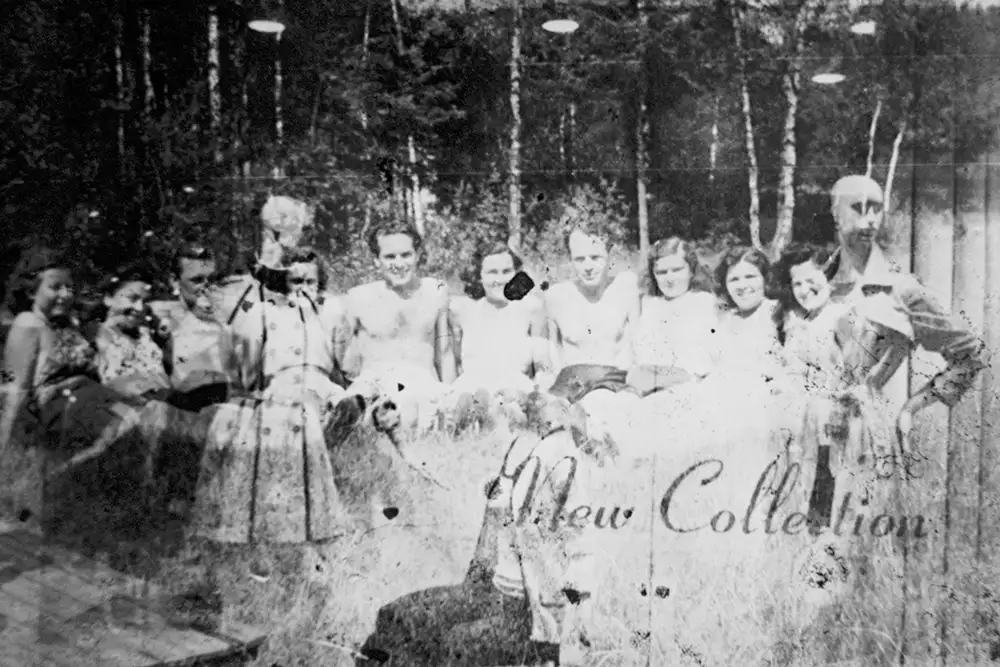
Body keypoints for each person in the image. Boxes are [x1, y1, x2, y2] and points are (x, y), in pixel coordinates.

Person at [0, 247, 224, 525]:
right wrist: (6, 452)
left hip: (92, 397)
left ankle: (167, 500)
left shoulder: (69, 324)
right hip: (61, 404)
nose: (66, 294)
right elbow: (16, 391)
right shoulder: (28, 324)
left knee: (157, 415)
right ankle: (90, 487)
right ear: (32, 291)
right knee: (136, 420)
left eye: (70, 287)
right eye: (55, 287)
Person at [193, 246, 351, 549]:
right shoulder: (268, 313)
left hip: (318, 385)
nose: (303, 289)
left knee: (298, 412)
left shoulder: (331, 312)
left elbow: (345, 364)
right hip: (277, 388)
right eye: (296, 282)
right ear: (284, 284)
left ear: (321, 284)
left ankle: (311, 523)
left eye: (310, 282)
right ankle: (245, 522)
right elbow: (249, 368)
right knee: (249, 419)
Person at [336, 219, 455, 432]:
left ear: (418, 255)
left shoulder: (436, 292)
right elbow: (342, 358)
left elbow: (444, 352)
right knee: (363, 399)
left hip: (421, 384)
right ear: (376, 260)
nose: (399, 264)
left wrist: (449, 395)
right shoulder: (358, 298)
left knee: (412, 405)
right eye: (390, 257)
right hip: (375, 382)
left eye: (406, 255)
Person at [544, 222, 640, 373]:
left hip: (618, 380)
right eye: (579, 259)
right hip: (573, 382)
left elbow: (638, 347)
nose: (588, 267)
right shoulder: (556, 297)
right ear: (570, 259)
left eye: (595, 258)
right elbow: (553, 355)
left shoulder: (626, 287)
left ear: (610, 255)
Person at [630, 237, 718, 392]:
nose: (669, 279)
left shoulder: (705, 303)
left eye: (677, 270)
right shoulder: (648, 304)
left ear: (691, 270)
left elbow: (708, 362)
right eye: (661, 272)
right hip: (647, 388)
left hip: (690, 389)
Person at [93, 262, 172, 399]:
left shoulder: (146, 335)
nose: (140, 308)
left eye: (145, 301)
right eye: (132, 298)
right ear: (108, 298)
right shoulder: (94, 340)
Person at [711, 245, 781, 374]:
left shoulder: (777, 312)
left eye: (750, 277)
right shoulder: (723, 321)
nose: (742, 285)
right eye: (734, 279)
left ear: (765, 278)